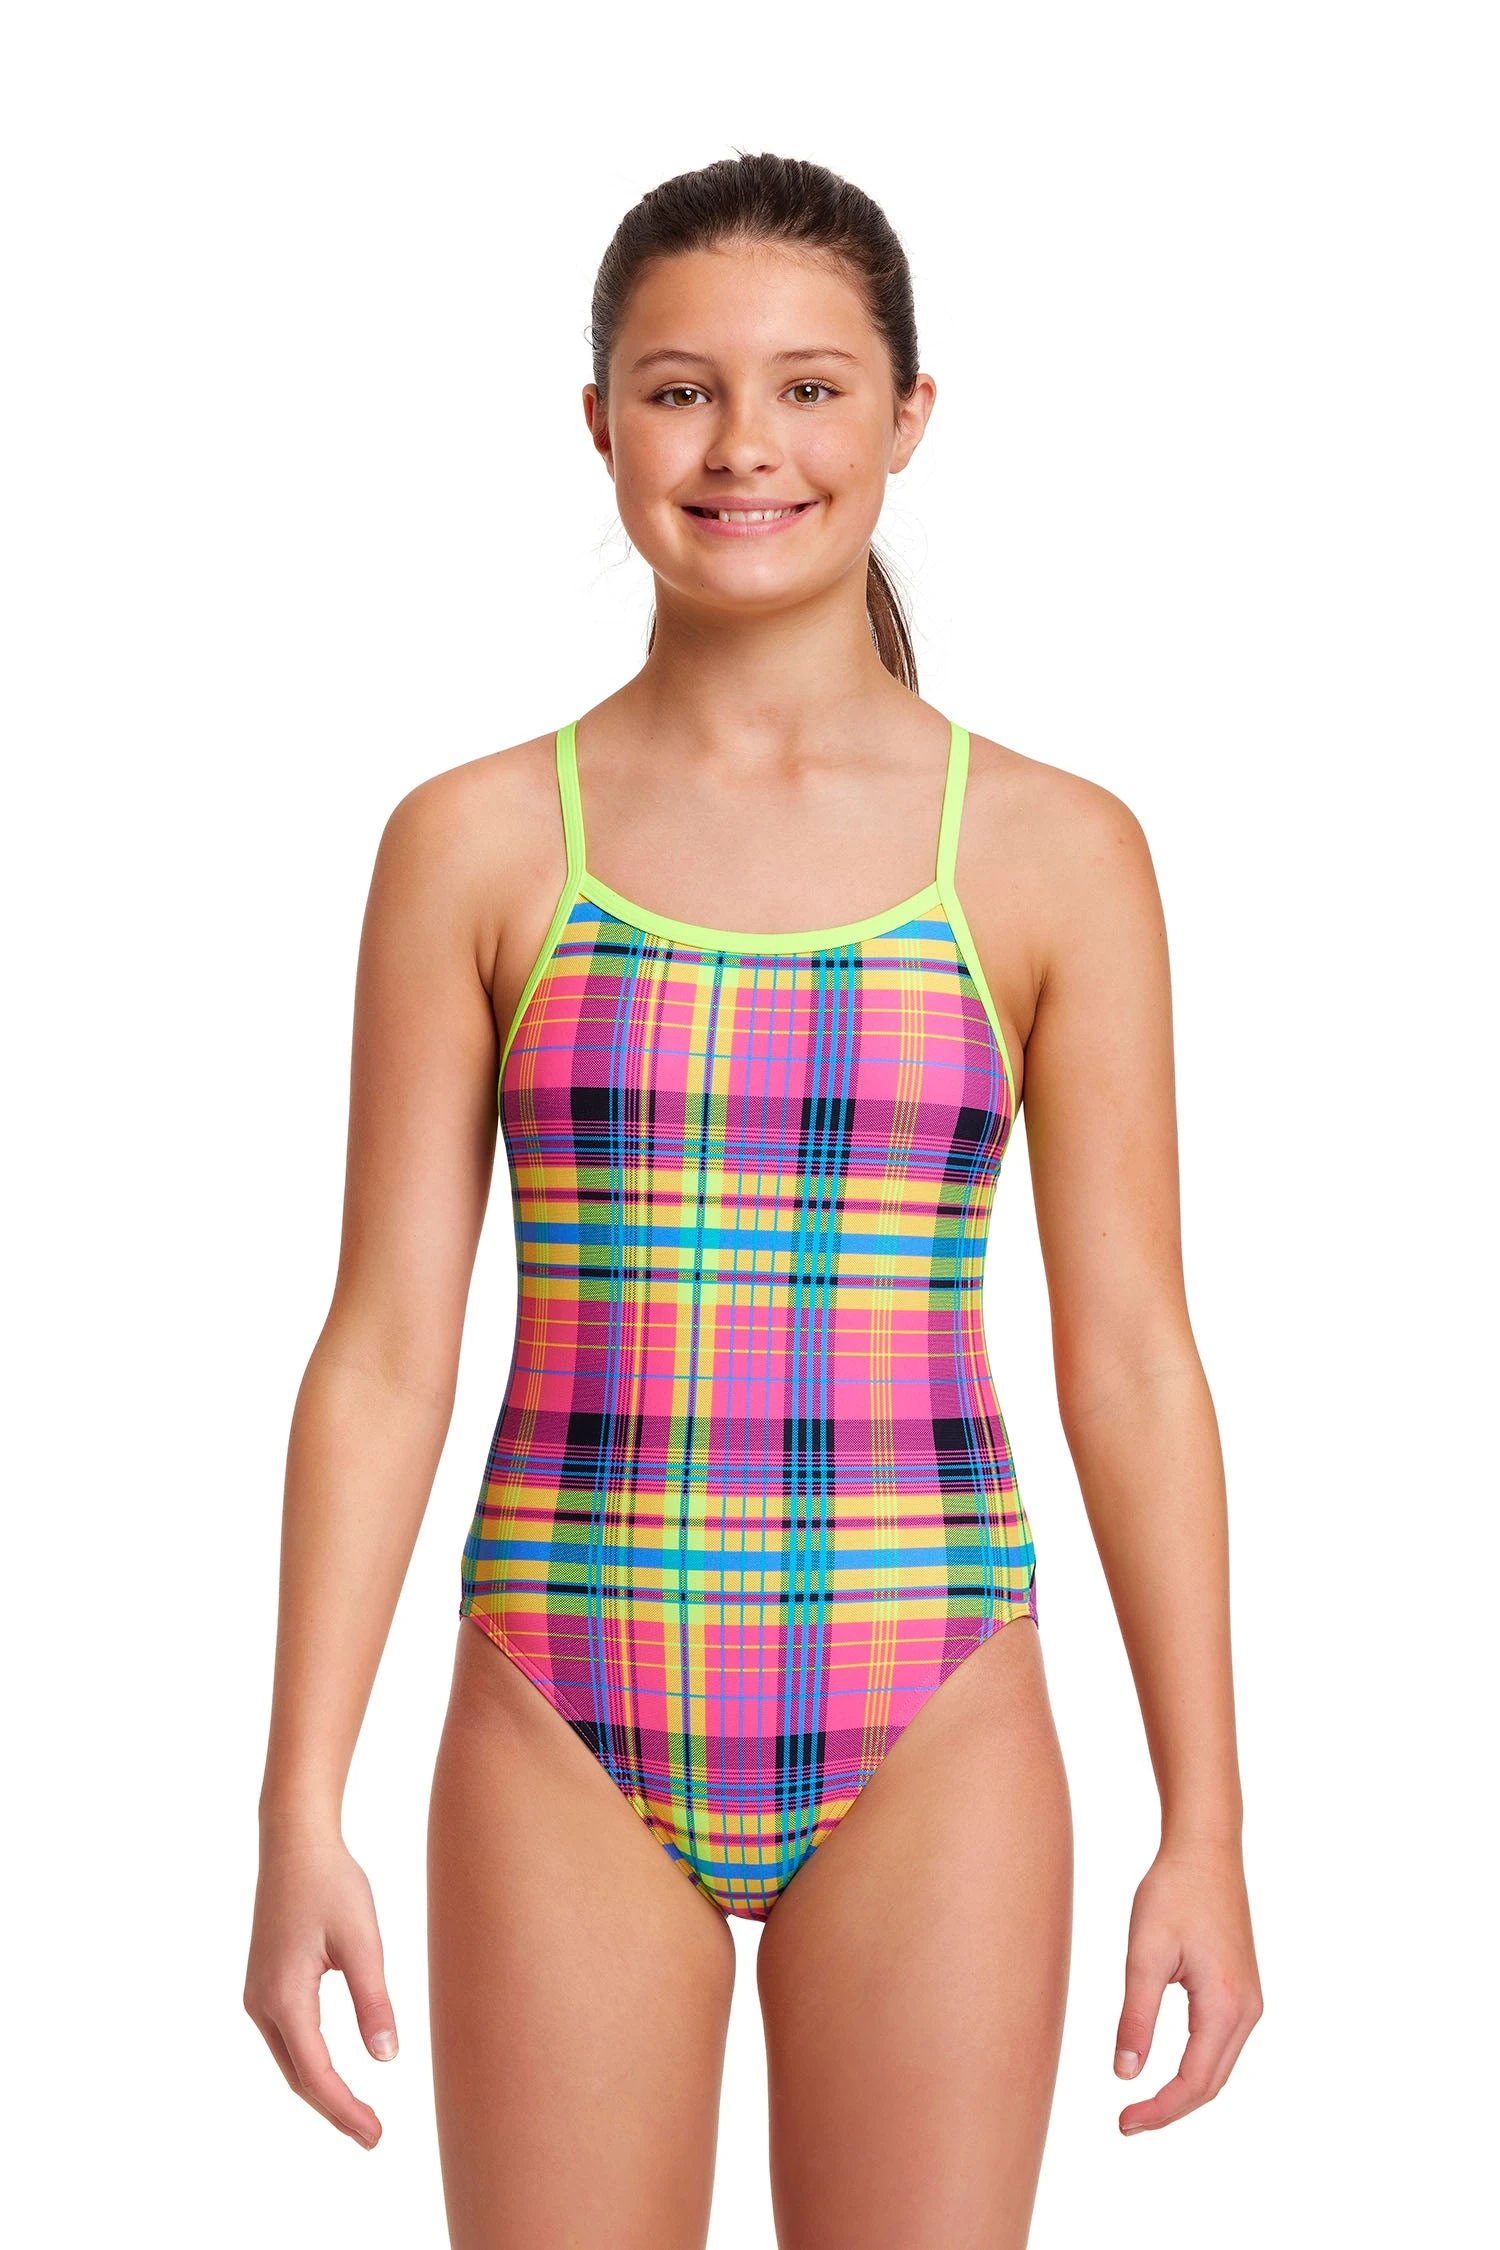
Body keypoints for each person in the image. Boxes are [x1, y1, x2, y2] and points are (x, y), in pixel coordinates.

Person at [244, 150, 1263, 2250]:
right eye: (680, 389)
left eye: (810, 388)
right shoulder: (478, 843)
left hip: (931, 1694)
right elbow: (385, 1349)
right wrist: (295, 1800)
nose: (743, 447)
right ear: (599, 422)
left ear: (907, 417)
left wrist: (1210, 1824)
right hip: (562, 1690)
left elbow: (1137, 1362)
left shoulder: (1052, 853)